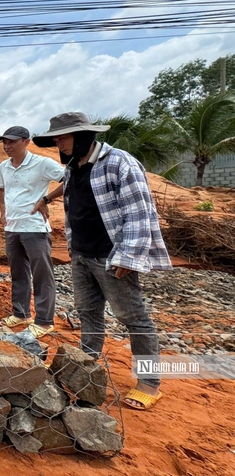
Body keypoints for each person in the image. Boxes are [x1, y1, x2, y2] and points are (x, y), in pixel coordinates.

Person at [33, 111, 172, 411]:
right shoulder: (73, 167)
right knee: (88, 312)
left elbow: (139, 211)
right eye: (55, 138)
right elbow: (72, 199)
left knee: (133, 317)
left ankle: (149, 382)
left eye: (62, 137)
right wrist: (48, 201)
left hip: (111, 257)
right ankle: (86, 363)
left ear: (83, 136)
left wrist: (130, 256)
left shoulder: (119, 163)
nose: (58, 143)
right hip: (81, 254)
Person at [0, 126, 65, 338]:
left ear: (26, 142)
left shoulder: (41, 163)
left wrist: (46, 199)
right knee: (18, 272)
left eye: (12, 142)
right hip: (12, 228)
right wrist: (3, 212)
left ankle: (44, 322)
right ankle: (21, 313)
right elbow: (0, 188)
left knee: (42, 274)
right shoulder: (3, 167)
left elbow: (70, 179)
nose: (7, 146)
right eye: (5, 142)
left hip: (35, 228)